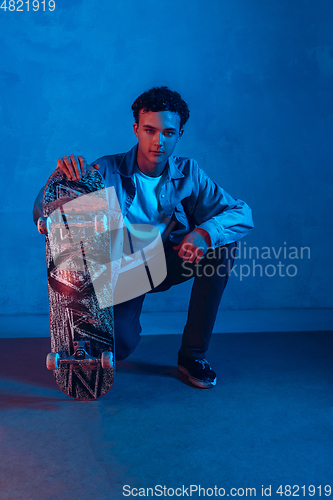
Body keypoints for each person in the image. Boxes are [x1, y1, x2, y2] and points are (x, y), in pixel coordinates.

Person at [33, 86, 254, 389]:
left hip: (170, 259)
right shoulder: (104, 170)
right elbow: (45, 217)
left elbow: (242, 214)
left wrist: (204, 233)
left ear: (179, 134)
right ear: (136, 128)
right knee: (119, 348)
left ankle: (192, 356)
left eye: (168, 133)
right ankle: (123, 323)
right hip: (124, 271)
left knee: (223, 245)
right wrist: (59, 180)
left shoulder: (189, 173)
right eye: (150, 130)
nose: (158, 141)